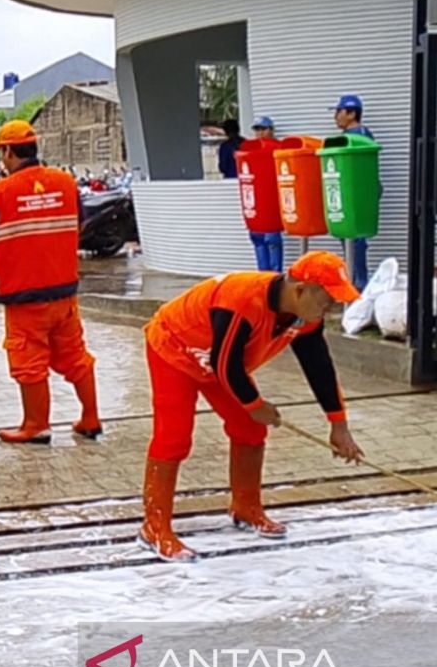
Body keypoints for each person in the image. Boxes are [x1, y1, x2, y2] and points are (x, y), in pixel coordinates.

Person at [139, 251, 365, 561]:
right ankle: (154, 526)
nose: (333, 308)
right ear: (301, 291)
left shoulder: (305, 317)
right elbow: (225, 364)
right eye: (328, 299)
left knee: (250, 428)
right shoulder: (242, 300)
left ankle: (246, 508)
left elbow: (319, 366)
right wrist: (255, 403)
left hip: (218, 362)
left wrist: (338, 425)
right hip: (175, 351)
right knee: (174, 437)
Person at [0, 121, 101, 444]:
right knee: (74, 354)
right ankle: (90, 417)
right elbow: (81, 226)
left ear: (8, 151)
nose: (1, 161)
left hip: (24, 296)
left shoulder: (0, 193)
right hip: (64, 292)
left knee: (28, 360)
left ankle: (36, 425)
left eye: (1, 153)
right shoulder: (65, 182)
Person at [332, 94, 376, 291]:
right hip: (355, 191)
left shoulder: (357, 136)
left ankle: (359, 283)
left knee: (355, 237)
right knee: (350, 236)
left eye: (338, 111)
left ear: (351, 113)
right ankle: (355, 280)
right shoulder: (361, 134)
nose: (335, 116)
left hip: (356, 191)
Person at [247, 115, 284, 272]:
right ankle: (263, 275)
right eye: (257, 129)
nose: (260, 133)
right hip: (256, 199)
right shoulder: (250, 149)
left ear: (271, 130)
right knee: (258, 238)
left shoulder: (278, 147)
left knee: (272, 238)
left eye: (263, 129)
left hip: (271, 199)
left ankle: (275, 274)